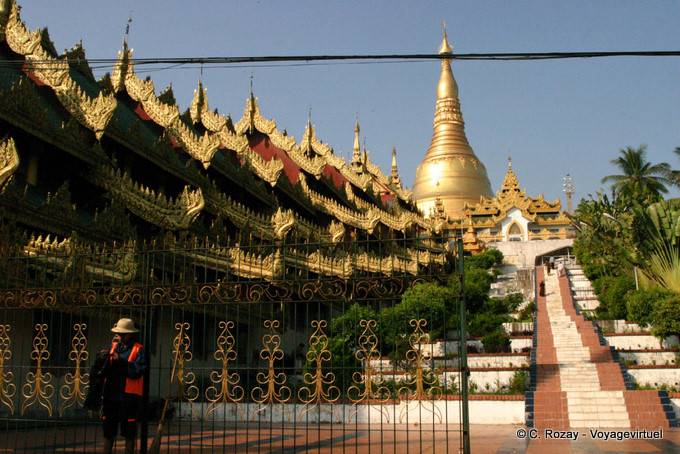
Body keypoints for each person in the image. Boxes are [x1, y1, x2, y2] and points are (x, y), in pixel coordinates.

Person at [101, 318, 147, 454]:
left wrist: (120, 360)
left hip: (129, 398)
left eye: (123, 334)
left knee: (129, 434)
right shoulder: (114, 347)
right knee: (108, 433)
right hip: (111, 396)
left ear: (131, 334)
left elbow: (138, 371)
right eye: (119, 333)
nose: (120, 336)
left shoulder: (139, 349)